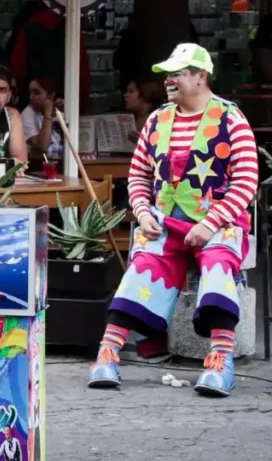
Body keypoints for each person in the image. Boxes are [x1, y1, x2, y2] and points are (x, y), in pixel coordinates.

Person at [87, 43, 259, 397]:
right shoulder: (157, 119)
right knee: (142, 268)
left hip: (219, 222)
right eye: (168, 73)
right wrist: (142, 210)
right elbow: (137, 176)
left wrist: (211, 223)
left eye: (178, 73)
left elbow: (246, 181)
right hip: (165, 222)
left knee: (218, 266)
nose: (169, 80)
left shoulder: (231, 118)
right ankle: (108, 352)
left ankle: (220, 358)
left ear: (201, 76)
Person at [22, 76, 64, 159]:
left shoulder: (62, 112)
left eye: (36, 93)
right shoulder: (27, 113)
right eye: (30, 93)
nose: (31, 97)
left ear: (51, 95)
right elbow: (43, 146)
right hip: (41, 165)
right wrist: (47, 115)